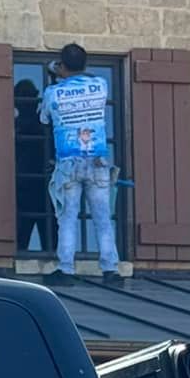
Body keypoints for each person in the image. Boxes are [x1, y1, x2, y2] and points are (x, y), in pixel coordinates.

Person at [38, 44, 125, 285]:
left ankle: (66, 269)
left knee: (67, 218)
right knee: (103, 218)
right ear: (85, 64)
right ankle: (110, 269)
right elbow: (85, 76)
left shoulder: (53, 93)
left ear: (62, 66)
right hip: (97, 161)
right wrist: (68, 71)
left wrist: (55, 72)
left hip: (68, 162)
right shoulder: (100, 85)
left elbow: (44, 119)